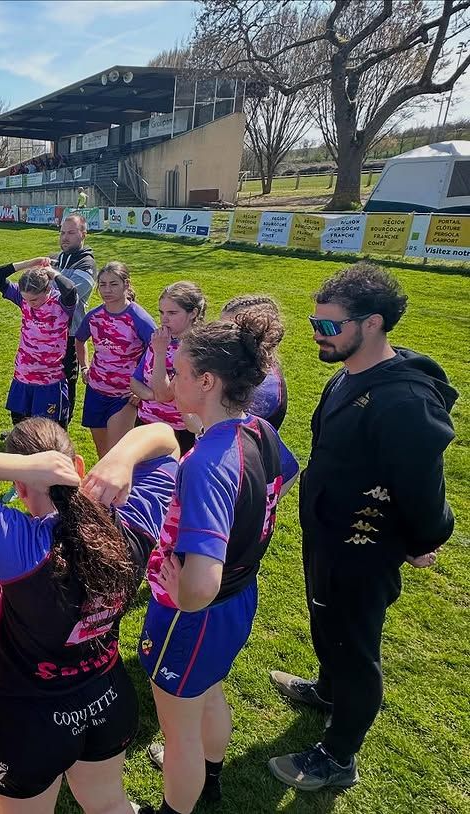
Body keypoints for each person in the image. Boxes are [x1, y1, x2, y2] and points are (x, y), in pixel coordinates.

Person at [0, 421, 180, 814]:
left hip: (28, 721)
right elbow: (166, 441)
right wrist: (123, 456)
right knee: (109, 805)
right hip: (107, 699)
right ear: (81, 465)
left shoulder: (17, 544)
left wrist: (20, 467)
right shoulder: (131, 519)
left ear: (21, 487)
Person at [268, 263, 457, 791]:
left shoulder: (404, 402)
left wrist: (424, 540)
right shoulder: (347, 374)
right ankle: (328, 689)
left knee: (355, 646)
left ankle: (338, 754)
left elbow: (424, 487)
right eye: (314, 322)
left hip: (363, 548)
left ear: (371, 324)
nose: (316, 333)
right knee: (327, 622)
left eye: (328, 325)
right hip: (329, 536)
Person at [135, 312, 298, 814]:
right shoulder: (259, 430)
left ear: (206, 381)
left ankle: (176, 805)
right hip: (239, 598)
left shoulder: (207, 463)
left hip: (194, 614)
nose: (171, 380)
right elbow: (288, 474)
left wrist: (181, 588)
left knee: (177, 730)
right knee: (209, 691)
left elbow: (200, 585)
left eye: (178, 372)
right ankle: (209, 780)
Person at [75, 261, 157, 459]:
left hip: (124, 396)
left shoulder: (139, 318)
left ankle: (123, 488)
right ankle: (105, 489)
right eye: (102, 284)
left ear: (126, 285)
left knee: (117, 454)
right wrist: (85, 367)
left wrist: (142, 390)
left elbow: (157, 353)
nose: (107, 290)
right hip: (95, 392)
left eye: (113, 284)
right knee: (102, 453)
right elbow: (79, 340)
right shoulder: (94, 316)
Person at [0, 263, 77, 428]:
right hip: (23, 377)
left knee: (51, 433)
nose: (30, 304)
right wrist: (32, 262)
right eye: (26, 299)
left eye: (34, 299)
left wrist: (52, 273)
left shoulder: (62, 304)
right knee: (21, 430)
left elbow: (71, 289)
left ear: (47, 289)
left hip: (50, 380)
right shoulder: (23, 300)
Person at [131, 281, 206, 454]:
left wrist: (160, 353)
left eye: (172, 313)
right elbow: (135, 382)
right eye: (162, 312)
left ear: (193, 313)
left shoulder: (194, 350)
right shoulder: (160, 339)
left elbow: (165, 393)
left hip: (178, 430)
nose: (164, 319)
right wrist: (153, 395)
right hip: (145, 422)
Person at [220, 295, 288, 430]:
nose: (220, 335)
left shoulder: (263, 387)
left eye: (230, 329)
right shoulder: (247, 365)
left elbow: (228, 432)